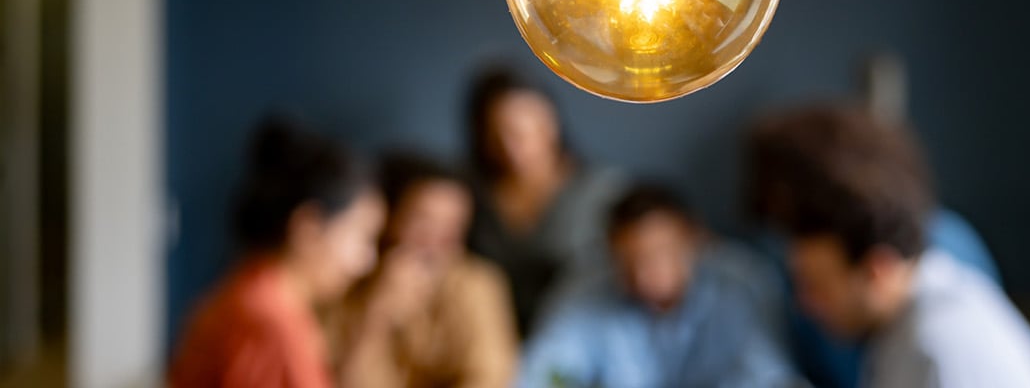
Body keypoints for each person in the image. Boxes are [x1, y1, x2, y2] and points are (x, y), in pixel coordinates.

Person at [750, 105, 1030, 388]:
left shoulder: (938, 347)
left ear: (877, 270)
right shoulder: (907, 325)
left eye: (816, 286)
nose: (804, 304)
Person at [169, 118, 385, 388]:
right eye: (362, 237)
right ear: (308, 229)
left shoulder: (254, 296)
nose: (367, 261)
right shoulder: (268, 325)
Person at [519, 183, 801, 388]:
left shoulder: (743, 283)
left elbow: (769, 375)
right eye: (628, 261)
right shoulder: (585, 287)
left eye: (657, 255)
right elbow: (546, 372)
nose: (643, 276)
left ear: (696, 240)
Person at [327, 151, 519, 388]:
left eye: (452, 227)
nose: (436, 241)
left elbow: (489, 377)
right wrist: (376, 316)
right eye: (423, 222)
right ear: (388, 219)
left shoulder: (478, 285)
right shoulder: (347, 280)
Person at [465, 65, 623, 336]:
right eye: (497, 133)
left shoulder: (600, 191)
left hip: (576, 335)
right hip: (488, 336)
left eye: (521, 132)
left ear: (551, 123)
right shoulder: (469, 193)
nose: (511, 148)